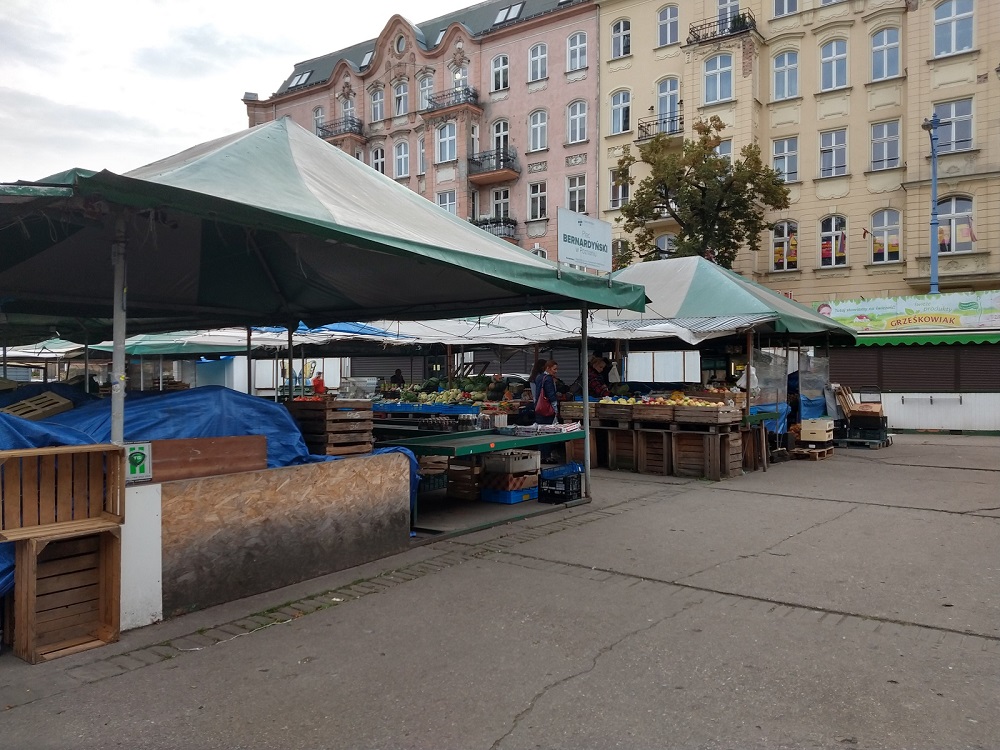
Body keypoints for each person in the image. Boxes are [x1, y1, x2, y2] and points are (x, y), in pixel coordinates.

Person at [534, 359, 561, 463]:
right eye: (554, 369)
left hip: (539, 408)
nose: (556, 371)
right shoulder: (548, 379)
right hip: (547, 410)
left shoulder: (539, 377)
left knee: (541, 432)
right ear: (548, 368)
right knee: (548, 433)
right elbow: (551, 395)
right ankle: (546, 456)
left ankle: (541, 456)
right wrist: (555, 410)